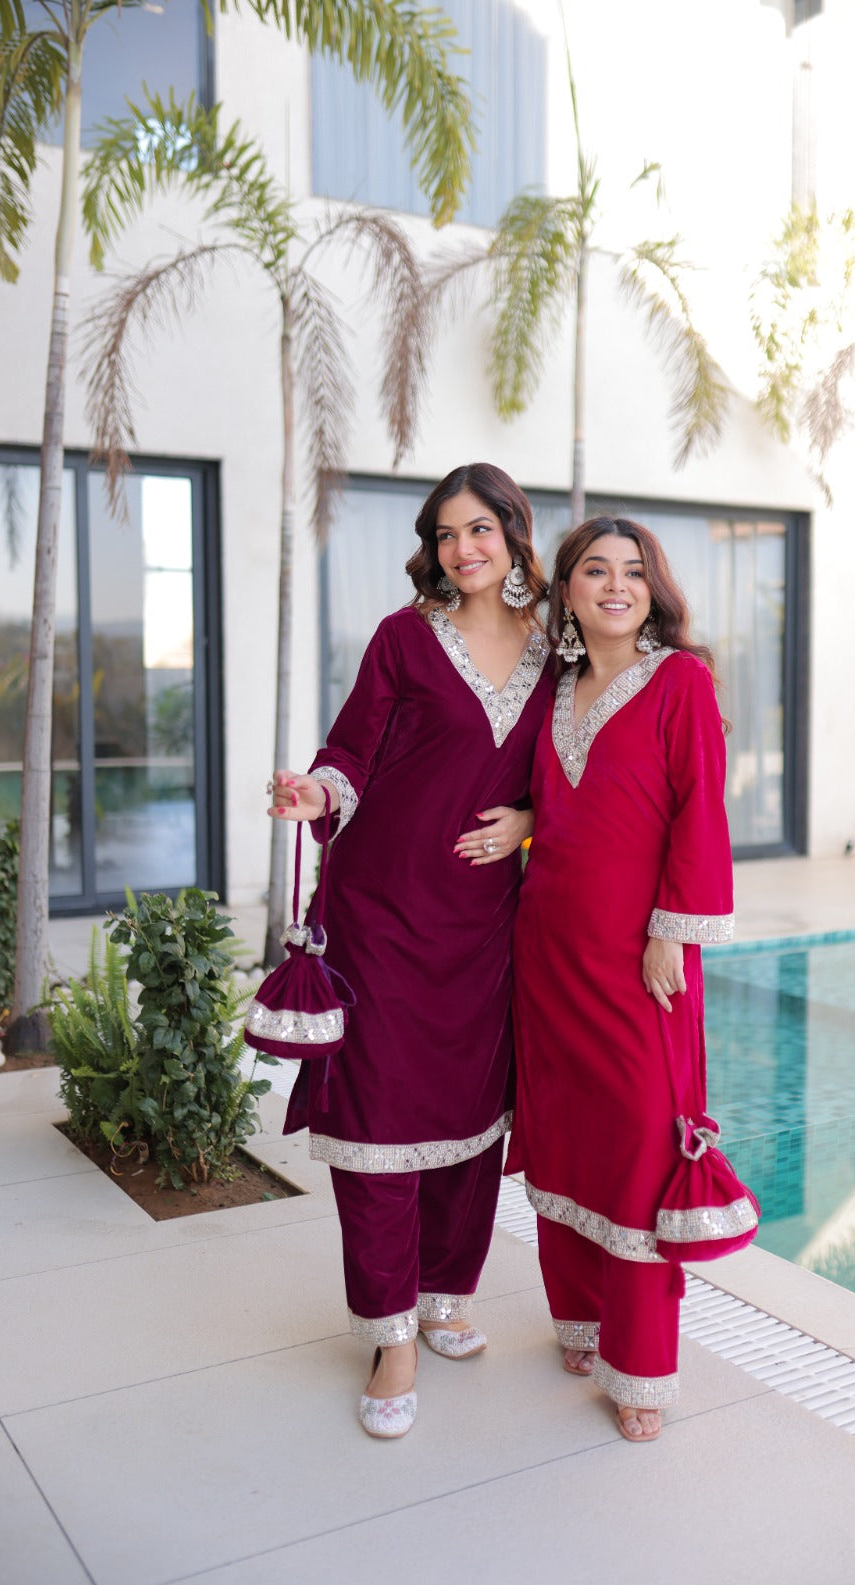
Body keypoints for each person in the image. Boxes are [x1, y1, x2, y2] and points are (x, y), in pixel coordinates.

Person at [266, 464, 551, 1439]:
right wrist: (316, 793)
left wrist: (529, 819)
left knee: (470, 1119)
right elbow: (351, 749)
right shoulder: (403, 637)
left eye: (479, 530)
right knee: (380, 1123)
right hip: (379, 914)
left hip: (483, 924)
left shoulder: (556, 650)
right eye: (444, 534)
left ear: (513, 534)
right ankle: (389, 1334)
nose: (461, 549)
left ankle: (443, 1293)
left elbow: (575, 768)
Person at [506, 514, 741, 1443]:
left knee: (644, 1148)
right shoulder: (553, 689)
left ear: (653, 591)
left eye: (633, 573)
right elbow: (558, 800)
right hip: (547, 951)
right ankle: (579, 1321)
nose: (615, 586)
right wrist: (518, 819)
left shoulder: (680, 681)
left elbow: (698, 812)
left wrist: (668, 934)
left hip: (639, 957)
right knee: (566, 1140)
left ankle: (640, 1365)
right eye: (595, 571)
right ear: (565, 590)